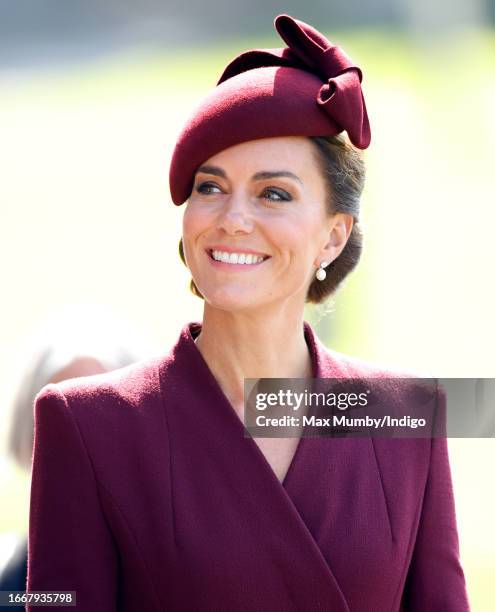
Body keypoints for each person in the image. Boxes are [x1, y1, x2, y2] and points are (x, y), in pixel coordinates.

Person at [26, 14, 470, 611]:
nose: (233, 217)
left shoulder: (408, 416)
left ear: (333, 237)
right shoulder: (86, 425)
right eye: (210, 187)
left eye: (274, 193)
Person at [0, 304, 152, 605]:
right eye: (56, 423)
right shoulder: (9, 585)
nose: (81, 448)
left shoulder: (177, 576)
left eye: (101, 425)